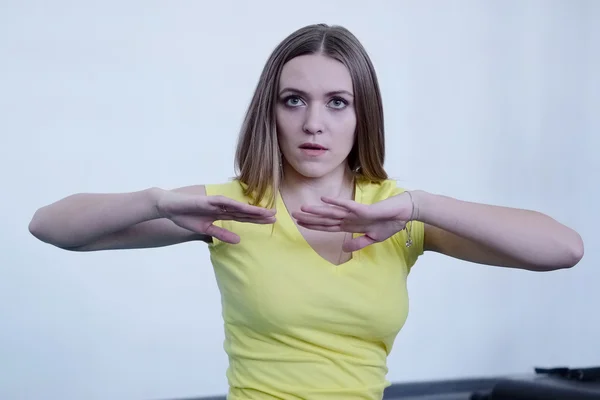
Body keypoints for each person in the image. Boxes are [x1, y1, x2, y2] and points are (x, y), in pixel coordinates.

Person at [28, 23, 584, 400]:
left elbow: (564, 249)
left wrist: (420, 204)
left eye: (336, 102)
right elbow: (49, 225)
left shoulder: (395, 216)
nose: (313, 123)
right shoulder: (231, 206)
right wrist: (157, 201)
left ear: (361, 114)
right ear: (270, 111)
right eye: (294, 100)